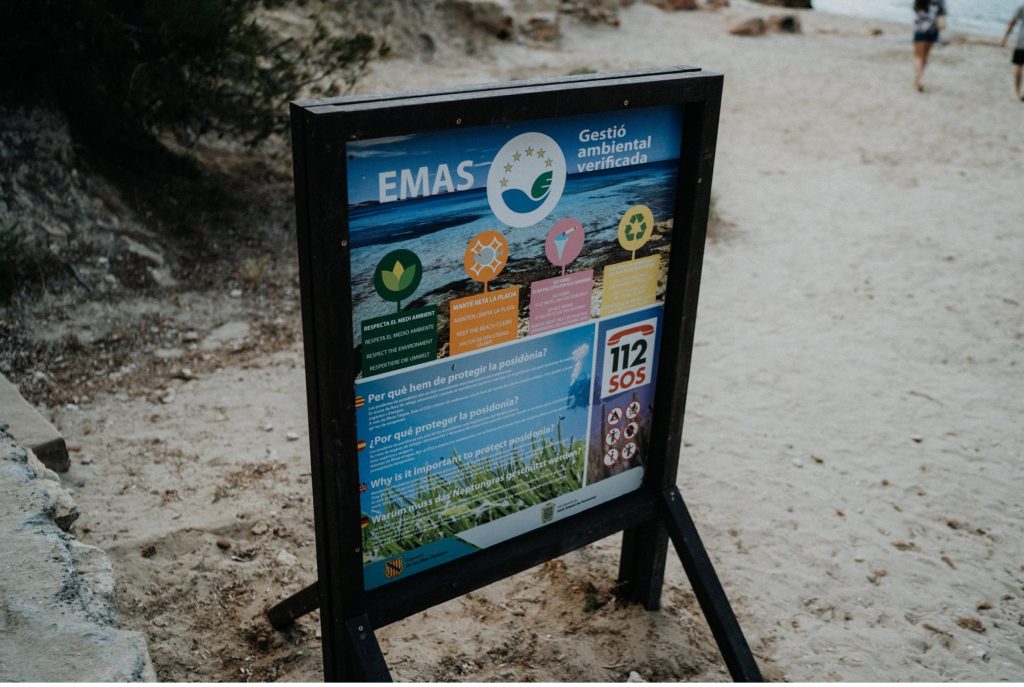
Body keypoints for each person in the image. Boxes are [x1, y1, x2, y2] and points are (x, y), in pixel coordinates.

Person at [913, 0, 947, 92]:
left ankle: (919, 78)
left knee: (918, 56)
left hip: (920, 29)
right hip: (933, 30)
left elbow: (916, 10)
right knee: (925, 56)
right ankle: (919, 78)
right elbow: (944, 12)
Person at [1001, 4, 1024, 101]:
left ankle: (1018, 93)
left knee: (1019, 66)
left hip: (1021, 41)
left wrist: (1005, 38)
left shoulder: (1022, 7)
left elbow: (1012, 23)